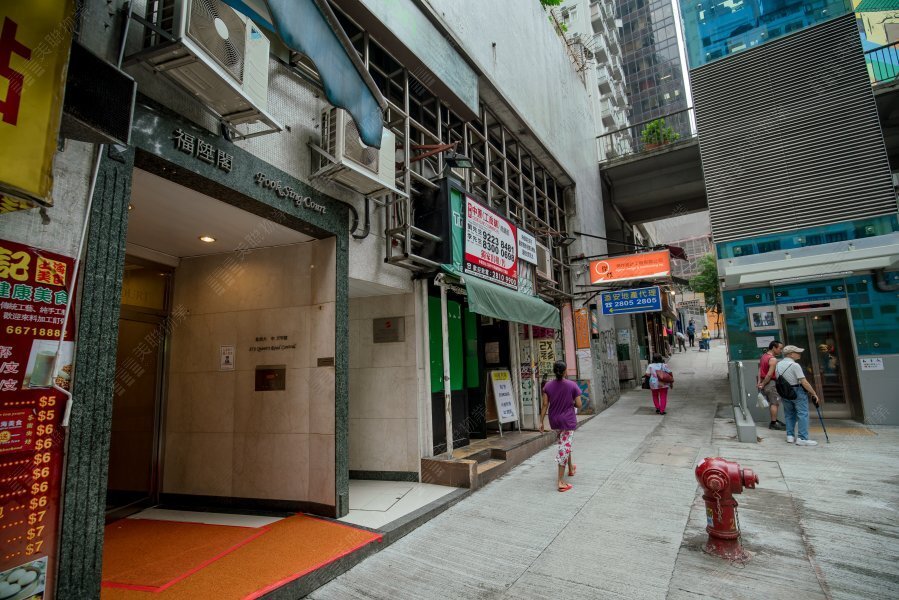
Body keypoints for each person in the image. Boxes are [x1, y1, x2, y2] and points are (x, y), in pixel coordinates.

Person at [539, 361, 582, 492]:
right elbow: (579, 404)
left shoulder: (547, 386)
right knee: (564, 447)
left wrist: (541, 422)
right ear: (564, 371)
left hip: (555, 421)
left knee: (565, 443)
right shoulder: (572, 385)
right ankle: (561, 482)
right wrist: (570, 403)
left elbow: (545, 404)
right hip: (567, 421)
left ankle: (571, 468)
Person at [776, 345, 820, 446]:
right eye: (797, 352)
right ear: (791, 354)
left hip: (784, 392)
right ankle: (802, 438)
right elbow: (804, 382)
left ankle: (790, 436)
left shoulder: (778, 364)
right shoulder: (795, 365)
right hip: (797, 391)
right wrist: (813, 393)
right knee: (803, 414)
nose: (799, 354)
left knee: (789, 414)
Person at [757, 340, 785, 430]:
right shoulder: (773, 359)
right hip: (770, 383)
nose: (781, 350)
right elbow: (769, 374)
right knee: (774, 403)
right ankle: (773, 423)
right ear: (773, 348)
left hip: (764, 382)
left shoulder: (763, 356)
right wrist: (763, 383)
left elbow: (759, 370)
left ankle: (775, 420)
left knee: (772, 402)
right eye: (780, 348)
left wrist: (759, 382)